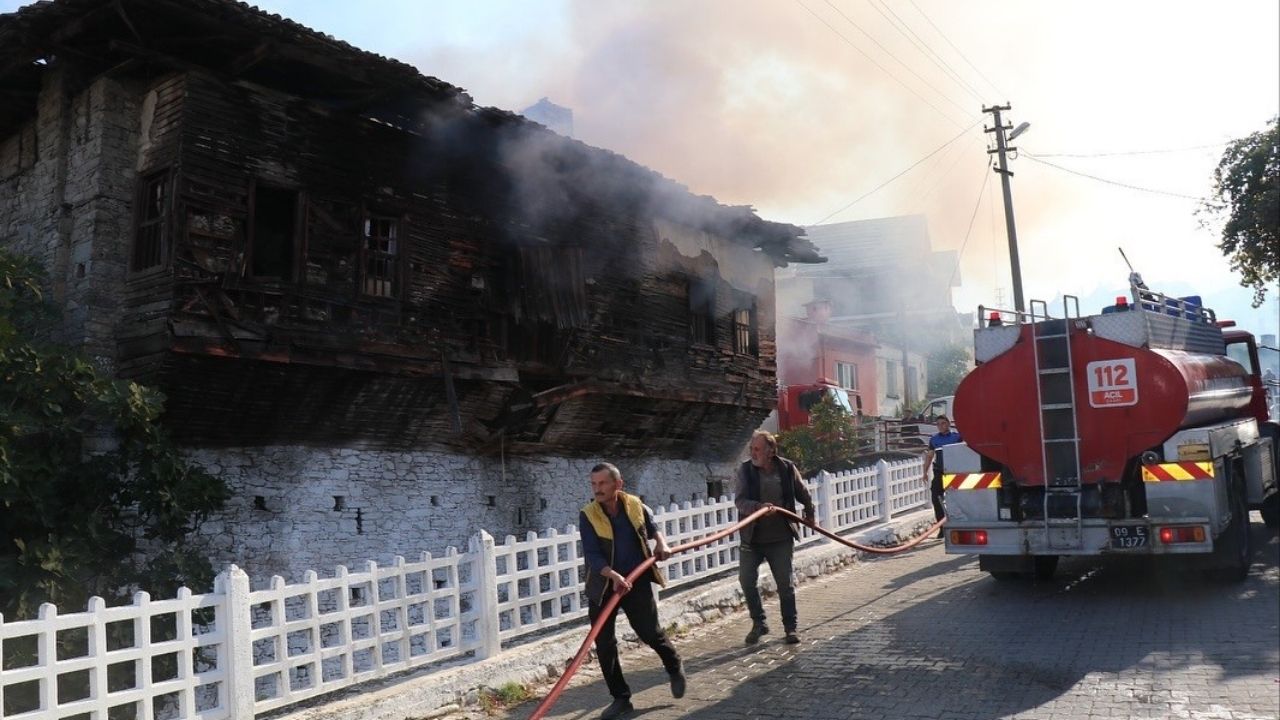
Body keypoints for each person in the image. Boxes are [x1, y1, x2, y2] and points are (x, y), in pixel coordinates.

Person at [579, 462, 685, 720]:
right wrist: (613, 576)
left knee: (650, 632)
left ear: (618, 484)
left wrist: (662, 544)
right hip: (604, 585)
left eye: (602, 483)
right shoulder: (588, 514)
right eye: (594, 484)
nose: (597, 489)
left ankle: (673, 665)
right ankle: (621, 698)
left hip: (636, 582)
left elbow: (651, 528)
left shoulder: (635, 505)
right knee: (604, 644)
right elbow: (592, 555)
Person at [734, 430, 816, 646]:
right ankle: (759, 623)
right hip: (753, 537)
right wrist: (757, 507)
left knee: (785, 584)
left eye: (758, 449)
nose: (753, 453)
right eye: (752, 449)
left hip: (780, 537)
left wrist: (809, 512)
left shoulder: (786, 468)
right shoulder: (745, 470)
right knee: (746, 580)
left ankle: (790, 628)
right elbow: (740, 501)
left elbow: (802, 492)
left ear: (771, 450)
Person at [923, 415, 963, 538]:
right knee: (936, 497)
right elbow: (929, 456)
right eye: (938, 424)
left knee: (958, 499)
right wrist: (924, 472)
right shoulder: (934, 440)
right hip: (940, 472)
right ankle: (942, 527)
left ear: (948, 424)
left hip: (955, 472)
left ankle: (961, 525)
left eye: (943, 423)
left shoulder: (957, 437)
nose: (941, 426)